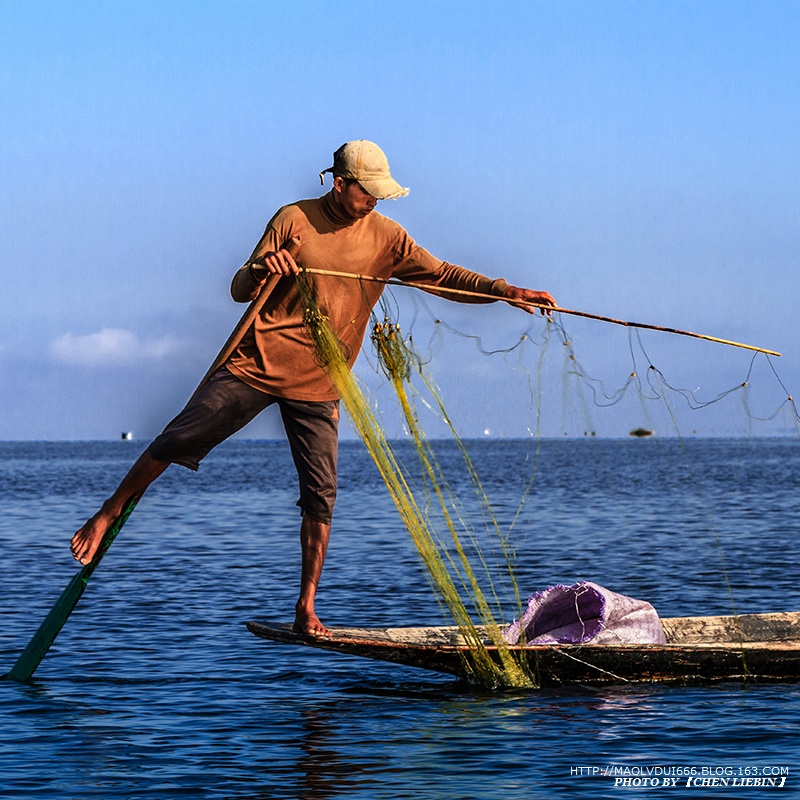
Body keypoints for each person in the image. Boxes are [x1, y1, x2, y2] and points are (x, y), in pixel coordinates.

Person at [70, 140, 557, 636]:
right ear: (340, 184)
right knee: (176, 439)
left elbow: (443, 276)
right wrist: (265, 267)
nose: (376, 201)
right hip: (256, 362)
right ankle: (108, 512)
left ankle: (305, 608)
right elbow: (240, 286)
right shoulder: (294, 220)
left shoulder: (388, 237)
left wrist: (505, 291)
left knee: (322, 494)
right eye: (368, 192)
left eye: (381, 194)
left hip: (321, 381)